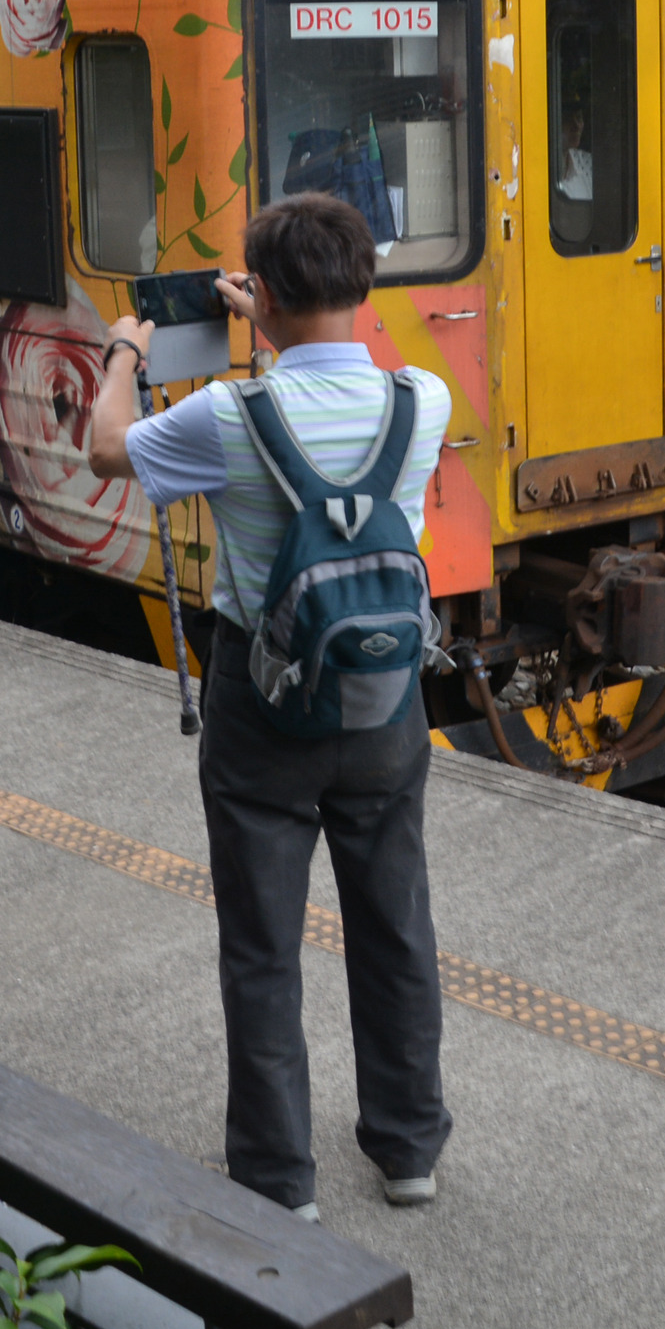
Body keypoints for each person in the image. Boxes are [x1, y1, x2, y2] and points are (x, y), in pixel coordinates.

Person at [85, 193, 454, 1219]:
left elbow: (107, 450)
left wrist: (122, 352)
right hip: (385, 703)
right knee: (396, 922)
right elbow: (333, 371)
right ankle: (409, 1146)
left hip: (263, 703)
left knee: (263, 944)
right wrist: (282, 318)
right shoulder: (424, 401)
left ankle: (279, 1179)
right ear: (363, 284)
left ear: (268, 292)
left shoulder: (228, 418)